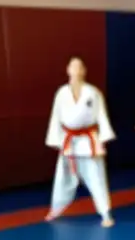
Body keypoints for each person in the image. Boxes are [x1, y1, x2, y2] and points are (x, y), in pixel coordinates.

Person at [44, 56, 116, 227]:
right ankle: (56, 208)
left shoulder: (93, 93)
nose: (76, 70)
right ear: (68, 70)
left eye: (79, 67)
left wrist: (103, 137)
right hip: (69, 141)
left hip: (88, 140)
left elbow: (101, 116)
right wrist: (55, 139)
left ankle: (105, 212)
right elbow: (56, 118)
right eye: (73, 67)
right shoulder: (61, 93)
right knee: (63, 177)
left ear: (84, 71)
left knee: (96, 177)